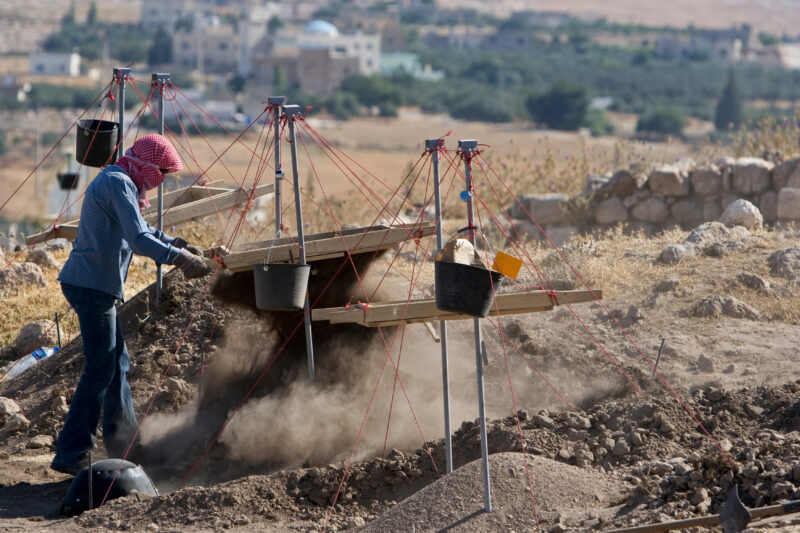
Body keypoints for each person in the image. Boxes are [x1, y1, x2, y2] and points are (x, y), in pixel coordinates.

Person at [51, 134, 209, 475]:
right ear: (148, 166)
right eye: (162, 173)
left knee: (117, 363)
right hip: (89, 285)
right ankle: (71, 452)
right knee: (101, 367)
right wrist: (179, 259)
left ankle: (125, 446)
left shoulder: (121, 180)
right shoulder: (118, 182)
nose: (162, 180)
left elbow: (143, 228)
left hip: (96, 286)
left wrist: (177, 243)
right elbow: (138, 240)